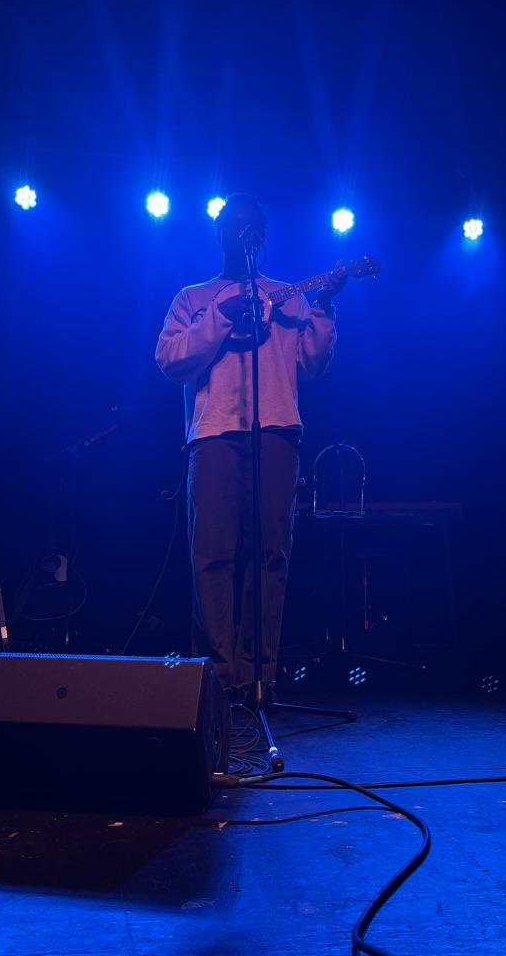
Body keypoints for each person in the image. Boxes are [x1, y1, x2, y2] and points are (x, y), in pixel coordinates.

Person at [155, 192, 347, 702]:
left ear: (262, 236)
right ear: (218, 233)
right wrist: (220, 316)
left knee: (270, 556)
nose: (244, 235)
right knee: (211, 555)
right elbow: (171, 361)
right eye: (234, 226)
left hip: (276, 430)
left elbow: (310, 364)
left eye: (252, 228)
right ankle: (217, 680)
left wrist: (325, 305)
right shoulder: (192, 298)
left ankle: (259, 676)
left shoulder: (287, 296)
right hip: (214, 435)